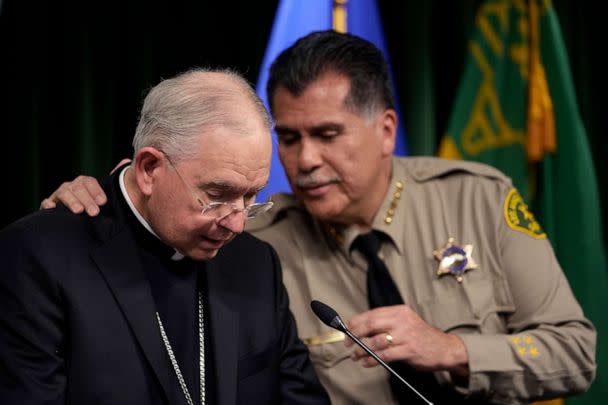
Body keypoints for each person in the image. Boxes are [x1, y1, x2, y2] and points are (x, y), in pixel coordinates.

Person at [40, 31, 597, 404]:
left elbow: (577, 352)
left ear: (385, 129)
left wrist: (453, 350)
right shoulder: (248, 235)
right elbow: (155, 221)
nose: (304, 161)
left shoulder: (476, 198)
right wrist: (101, 200)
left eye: (327, 135)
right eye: (288, 138)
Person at [0, 68, 331, 405]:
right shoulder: (39, 257)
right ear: (149, 169)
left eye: (250, 198)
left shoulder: (256, 262)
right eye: (218, 194)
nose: (237, 225)